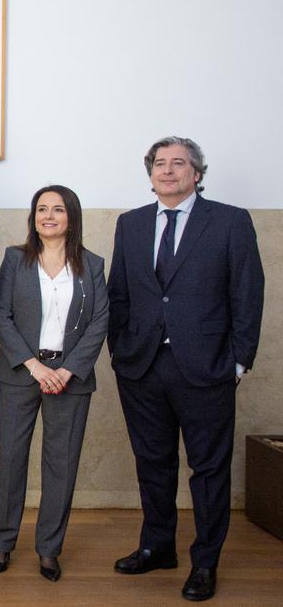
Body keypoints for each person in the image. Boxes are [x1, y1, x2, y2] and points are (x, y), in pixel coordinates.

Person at [108, 137, 263, 602]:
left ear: (197, 173)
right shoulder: (131, 224)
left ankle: (205, 562)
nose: (168, 170)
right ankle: (157, 547)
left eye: (179, 163)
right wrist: (121, 350)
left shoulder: (230, 221)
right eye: (160, 163)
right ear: (150, 172)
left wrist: (237, 361)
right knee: (153, 464)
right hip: (142, 367)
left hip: (207, 368)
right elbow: (120, 294)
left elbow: (248, 295)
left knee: (209, 468)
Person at [0, 185, 109, 582]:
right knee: (11, 460)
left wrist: (67, 370)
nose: (49, 216)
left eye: (58, 209)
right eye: (42, 209)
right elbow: (1, 316)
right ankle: (2, 544)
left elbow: (98, 323)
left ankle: (49, 550)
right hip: (21, 374)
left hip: (70, 379)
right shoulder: (15, 259)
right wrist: (35, 367)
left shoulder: (91, 264)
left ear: (71, 216)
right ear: (33, 217)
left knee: (61, 464)